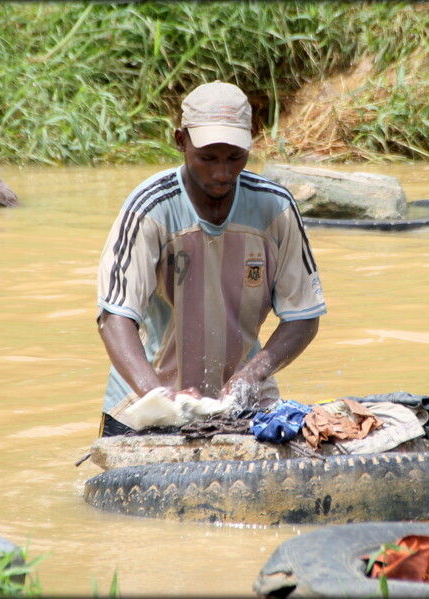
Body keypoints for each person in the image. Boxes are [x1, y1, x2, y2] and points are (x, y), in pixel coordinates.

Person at [96, 81, 326, 436]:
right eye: (208, 158)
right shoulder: (151, 209)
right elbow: (114, 318)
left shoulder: (275, 207)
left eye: (235, 158)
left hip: (242, 406)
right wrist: (158, 395)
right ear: (180, 141)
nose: (222, 173)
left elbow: (304, 316)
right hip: (145, 406)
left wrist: (251, 375)